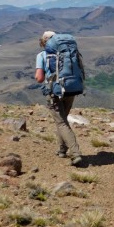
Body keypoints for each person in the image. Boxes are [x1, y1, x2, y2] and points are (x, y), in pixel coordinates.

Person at [35, 31, 83, 166]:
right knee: (63, 121)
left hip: (54, 91)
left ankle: (75, 153)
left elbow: (39, 78)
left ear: (44, 42)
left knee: (61, 123)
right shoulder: (68, 53)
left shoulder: (42, 55)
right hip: (70, 88)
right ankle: (62, 150)